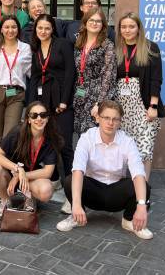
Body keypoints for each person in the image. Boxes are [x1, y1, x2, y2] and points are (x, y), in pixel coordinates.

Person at [56, 100, 153, 239]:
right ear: (98, 118)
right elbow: (78, 169)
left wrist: (142, 206)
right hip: (92, 192)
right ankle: (76, 216)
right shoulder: (87, 138)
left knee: (144, 185)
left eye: (115, 119)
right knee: (70, 180)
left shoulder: (127, 142)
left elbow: (138, 173)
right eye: (106, 118)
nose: (110, 122)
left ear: (120, 122)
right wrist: (76, 205)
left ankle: (129, 220)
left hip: (115, 194)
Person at [0, 101, 63, 220]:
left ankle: (30, 197)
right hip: (9, 174)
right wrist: (17, 170)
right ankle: (5, 201)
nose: (39, 118)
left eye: (43, 115)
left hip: (29, 178)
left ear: (47, 119)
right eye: (34, 115)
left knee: (46, 190)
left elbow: (48, 172)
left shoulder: (51, 138)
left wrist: (21, 175)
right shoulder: (17, 132)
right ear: (28, 119)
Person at [115, 11, 165, 180]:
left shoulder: (150, 48)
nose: (127, 30)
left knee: (144, 151)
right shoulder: (115, 49)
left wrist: (153, 105)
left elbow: (156, 79)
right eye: (123, 27)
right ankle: (123, 190)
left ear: (138, 28)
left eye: (131, 26)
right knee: (122, 150)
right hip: (121, 108)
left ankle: (144, 192)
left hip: (143, 106)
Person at [27, 14, 75, 179]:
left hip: (61, 97)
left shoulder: (63, 44)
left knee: (65, 143)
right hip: (43, 100)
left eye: (47, 28)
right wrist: (32, 105)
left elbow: (70, 73)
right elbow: (34, 77)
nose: (43, 31)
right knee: (47, 141)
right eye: (40, 28)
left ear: (53, 29)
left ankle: (70, 183)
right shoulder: (36, 48)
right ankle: (53, 178)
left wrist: (64, 101)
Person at [0, 15, 31, 149]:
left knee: (10, 134)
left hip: (16, 94)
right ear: (1, 29)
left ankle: (7, 166)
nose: (10, 30)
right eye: (6, 27)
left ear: (18, 29)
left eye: (13, 27)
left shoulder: (25, 48)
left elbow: (31, 72)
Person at [72, 7, 117, 136]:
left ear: (103, 25)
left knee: (95, 139)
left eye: (98, 21)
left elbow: (109, 76)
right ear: (85, 23)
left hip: (96, 98)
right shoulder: (79, 44)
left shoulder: (107, 45)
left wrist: (100, 104)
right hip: (80, 96)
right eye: (91, 20)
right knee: (82, 139)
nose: (94, 23)